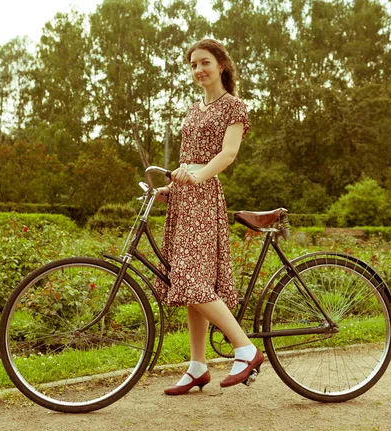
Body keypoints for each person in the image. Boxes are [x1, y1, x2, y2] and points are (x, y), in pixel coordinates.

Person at [153, 38, 263, 396]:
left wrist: (197, 177)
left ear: (221, 65)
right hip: (184, 200)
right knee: (189, 283)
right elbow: (189, 160)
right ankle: (198, 367)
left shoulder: (234, 107)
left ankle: (245, 349)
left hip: (203, 199)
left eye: (205, 63)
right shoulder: (194, 108)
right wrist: (174, 185)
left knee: (188, 279)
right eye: (193, 65)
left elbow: (228, 154)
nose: (199, 70)